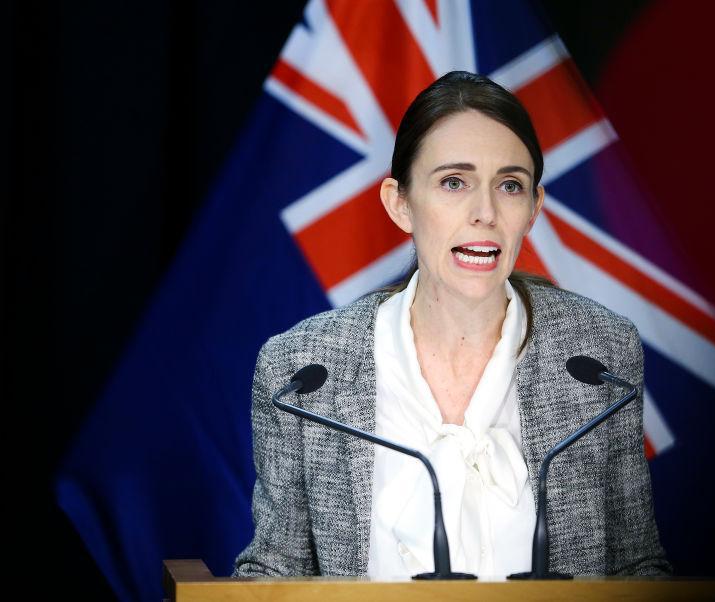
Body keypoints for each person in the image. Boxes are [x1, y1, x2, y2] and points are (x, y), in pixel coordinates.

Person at [233, 71, 671, 578]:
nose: (484, 212)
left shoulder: (600, 357)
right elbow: (274, 573)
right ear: (400, 204)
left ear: (533, 209)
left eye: (510, 185)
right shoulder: (304, 372)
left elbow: (639, 569)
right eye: (453, 182)